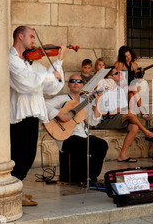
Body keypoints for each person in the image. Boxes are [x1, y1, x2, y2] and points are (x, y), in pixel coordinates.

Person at [9, 26, 66, 206]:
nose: (34, 41)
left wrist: (59, 61)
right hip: (20, 113)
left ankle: (16, 191)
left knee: (29, 154)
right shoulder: (12, 59)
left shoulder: (32, 62)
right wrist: (49, 76)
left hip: (33, 112)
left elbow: (52, 86)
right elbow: (25, 83)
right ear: (20, 36)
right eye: (31, 37)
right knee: (19, 155)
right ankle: (12, 194)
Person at [45, 74, 107, 186]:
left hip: (83, 134)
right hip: (66, 135)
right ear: (68, 84)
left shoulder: (85, 101)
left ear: (82, 85)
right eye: (73, 81)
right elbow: (44, 105)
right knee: (85, 144)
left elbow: (93, 122)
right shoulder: (61, 99)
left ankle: (91, 176)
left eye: (79, 81)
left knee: (102, 144)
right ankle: (82, 178)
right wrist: (60, 115)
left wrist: (97, 102)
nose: (76, 83)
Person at [93, 69, 153, 163]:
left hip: (116, 118)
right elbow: (93, 108)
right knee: (129, 113)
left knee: (134, 127)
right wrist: (108, 113)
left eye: (120, 72)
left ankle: (122, 155)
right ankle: (147, 132)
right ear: (110, 77)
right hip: (103, 120)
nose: (120, 74)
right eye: (117, 73)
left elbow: (124, 107)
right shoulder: (100, 89)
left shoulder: (119, 90)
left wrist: (118, 110)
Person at [114, 46, 150, 120]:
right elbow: (114, 77)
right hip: (121, 88)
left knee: (132, 96)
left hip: (130, 90)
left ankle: (132, 117)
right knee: (134, 88)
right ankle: (142, 111)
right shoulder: (119, 64)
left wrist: (141, 73)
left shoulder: (134, 65)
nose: (128, 58)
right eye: (126, 56)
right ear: (122, 57)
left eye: (129, 55)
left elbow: (138, 80)